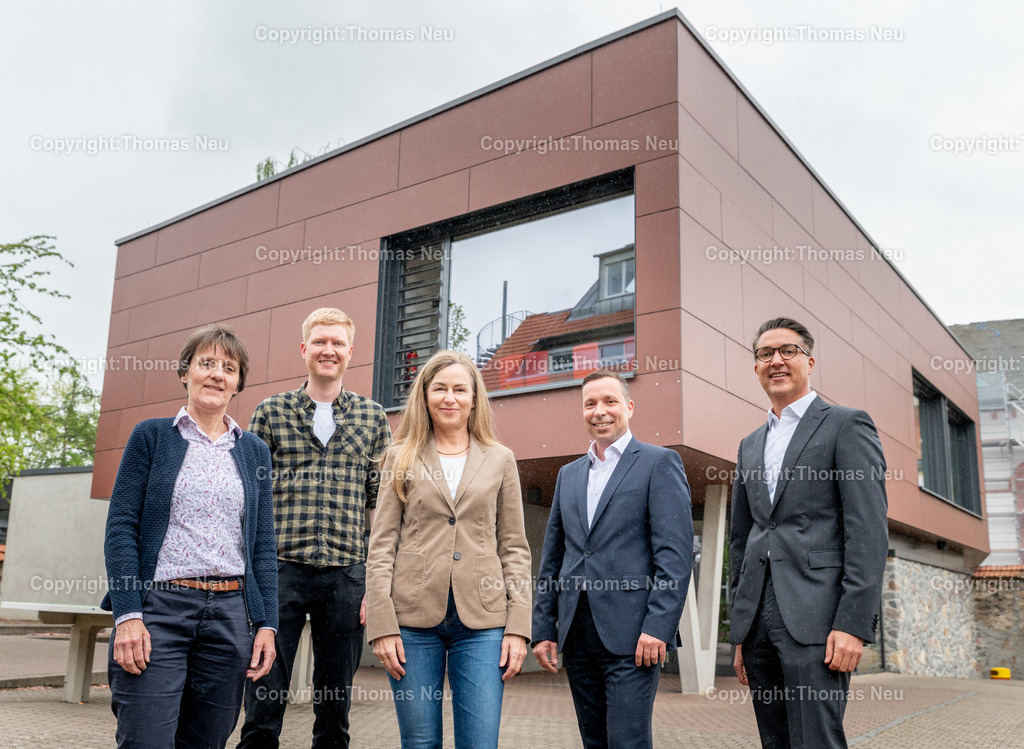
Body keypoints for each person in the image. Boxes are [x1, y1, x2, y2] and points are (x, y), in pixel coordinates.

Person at [102, 323, 278, 749]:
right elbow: (121, 527)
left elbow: (262, 545)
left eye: (229, 368)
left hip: (230, 615)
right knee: (145, 739)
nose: (217, 374)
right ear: (185, 372)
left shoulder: (253, 450)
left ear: (238, 383)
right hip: (159, 610)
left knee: (207, 742)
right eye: (207, 363)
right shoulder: (152, 436)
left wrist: (268, 624)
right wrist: (127, 614)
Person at [730, 317, 888, 749]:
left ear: (810, 361)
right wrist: (740, 630)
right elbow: (741, 542)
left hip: (818, 622)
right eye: (765, 354)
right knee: (774, 741)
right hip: (759, 623)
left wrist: (853, 624)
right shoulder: (749, 444)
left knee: (815, 741)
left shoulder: (846, 424)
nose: (775, 361)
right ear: (756, 367)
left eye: (788, 351)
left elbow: (868, 531)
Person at [239, 308, 391, 749]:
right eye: (320, 342)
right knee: (264, 695)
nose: (329, 350)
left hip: (346, 576)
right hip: (279, 571)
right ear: (304, 349)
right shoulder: (271, 412)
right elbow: (250, 501)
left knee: (334, 703)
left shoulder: (372, 417)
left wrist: (374, 582)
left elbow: (381, 506)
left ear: (350, 352)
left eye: (338, 343)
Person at [366, 350, 532, 749]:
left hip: (484, 623)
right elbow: (382, 545)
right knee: (420, 742)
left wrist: (519, 626)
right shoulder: (398, 456)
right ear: (424, 396)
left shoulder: (500, 459)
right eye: (439, 388)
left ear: (475, 398)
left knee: (479, 742)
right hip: (411, 621)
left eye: (460, 389)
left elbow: (514, 547)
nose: (449, 398)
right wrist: (382, 624)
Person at [532, 369, 693, 749]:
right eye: (590, 403)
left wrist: (659, 626)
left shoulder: (659, 462)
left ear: (629, 407)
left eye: (610, 401)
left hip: (635, 634)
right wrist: (542, 627)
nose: (599, 411)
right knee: (594, 741)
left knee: (627, 741)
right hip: (577, 633)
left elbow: (674, 555)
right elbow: (553, 556)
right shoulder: (568, 475)